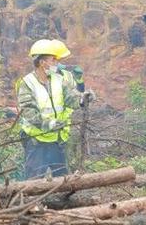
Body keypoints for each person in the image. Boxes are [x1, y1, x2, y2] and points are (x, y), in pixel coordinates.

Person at [16, 40, 95, 179]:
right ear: (42, 62)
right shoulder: (27, 83)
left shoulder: (58, 80)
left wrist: (83, 99)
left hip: (57, 141)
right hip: (36, 142)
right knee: (34, 182)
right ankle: (33, 202)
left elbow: (71, 98)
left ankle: (63, 201)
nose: (57, 63)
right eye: (53, 60)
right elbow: (28, 111)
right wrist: (48, 124)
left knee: (62, 180)